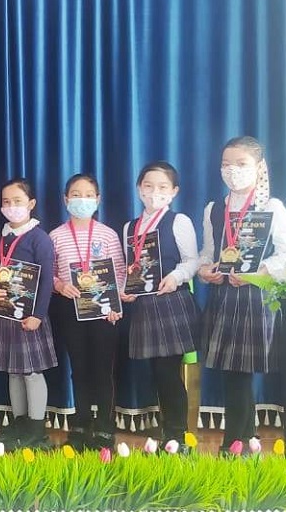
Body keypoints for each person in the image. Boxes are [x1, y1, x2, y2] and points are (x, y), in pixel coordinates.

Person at [198, 137, 286, 454]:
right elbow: (208, 254)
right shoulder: (214, 209)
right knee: (231, 373)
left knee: (239, 373)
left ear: (259, 167)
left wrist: (257, 273)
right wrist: (205, 270)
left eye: (241, 164)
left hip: (255, 299)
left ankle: (233, 444)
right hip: (222, 297)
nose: (232, 171)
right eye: (226, 164)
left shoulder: (271, 207)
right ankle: (248, 439)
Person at [118, 161, 199, 450]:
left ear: (174, 191)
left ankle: (177, 435)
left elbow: (192, 261)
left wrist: (176, 277)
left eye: (163, 187)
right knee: (155, 373)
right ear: (139, 189)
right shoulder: (130, 227)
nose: (155, 192)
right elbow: (129, 268)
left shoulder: (179, 221)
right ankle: (169, 432)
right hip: (144, 307)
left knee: (168, 372)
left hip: (172, 304)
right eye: (148, 186)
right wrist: (126, 290)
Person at [48, 174, 124, 450]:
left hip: (104, 312)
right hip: (71, 309)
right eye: (76, 194)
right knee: (78, 370)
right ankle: (79, 425)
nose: (82, 200)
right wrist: (60, 285)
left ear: (98, 200)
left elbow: (120, 272)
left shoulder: (107, 234)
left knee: (103, 371)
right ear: (66, 199)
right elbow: (49, 275)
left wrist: (115, 306)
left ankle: (104, 427)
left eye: (88, 195)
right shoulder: (55, 236)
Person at [0, 178, 56, 450]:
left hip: (30, 318)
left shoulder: (40, 238)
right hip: (5, 315)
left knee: (31, 373)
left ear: (31, 204)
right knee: (13, 372)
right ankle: (20, 422)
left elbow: (47, 280)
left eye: (17, 201)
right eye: (6, 202)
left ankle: (37, 429)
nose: (11, 206)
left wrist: (38, 314)